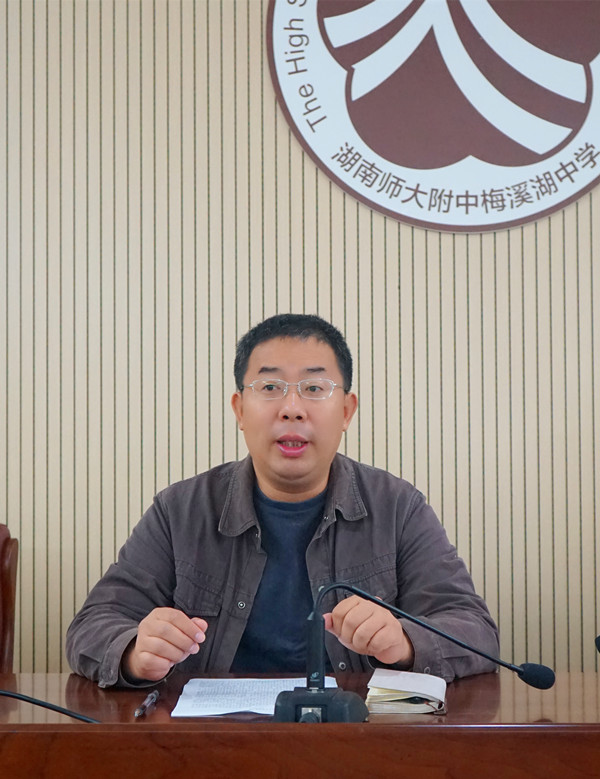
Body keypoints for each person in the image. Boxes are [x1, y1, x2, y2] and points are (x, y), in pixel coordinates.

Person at [66, 313, 499, 687]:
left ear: (346, 411)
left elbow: (475, 630)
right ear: (240, 409)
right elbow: (92, 625)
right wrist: (134, 653)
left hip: (356, 739)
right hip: (214, 741)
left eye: (314, 388)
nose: (292, 408)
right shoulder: (179, 511)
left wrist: (405, 643)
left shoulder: (398, 507)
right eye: (270, 386)